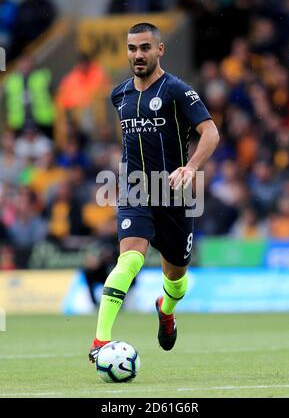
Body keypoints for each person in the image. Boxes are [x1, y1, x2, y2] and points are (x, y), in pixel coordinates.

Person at [89, 22, 220, 363]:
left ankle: (166, 309)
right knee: (129, 259)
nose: (138, 55)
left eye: (145, 48)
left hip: (174, 195)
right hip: (135, 191)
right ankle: (100, 341)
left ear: (159, 50)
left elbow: (211, 133)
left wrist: (190, 168)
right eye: (132, 48)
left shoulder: (178, 90)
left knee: (176, 279)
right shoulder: (119, 95)